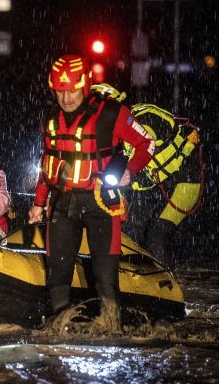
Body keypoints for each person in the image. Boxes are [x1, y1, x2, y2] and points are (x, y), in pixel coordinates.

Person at [27, 54, 155, 329]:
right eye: (60, 91)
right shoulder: (50, 118)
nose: (67, 97)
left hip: (101, 203)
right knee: (58, 274)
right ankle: (60, 330)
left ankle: (111, 329)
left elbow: (147, 143)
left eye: (72, 90)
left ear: (85, 85)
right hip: (62, 203)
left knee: (104, 278)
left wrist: (130, 171)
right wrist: (38, 204)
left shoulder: (112, 112)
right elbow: (47, 164)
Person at [116, 94, 202, 267]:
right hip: (158, 182)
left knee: (157, 233)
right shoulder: (121, 122)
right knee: (131, 230)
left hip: (185, 183)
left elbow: (146, 143)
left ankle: (165, 285)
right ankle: (133, 277)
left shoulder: (144, 119)